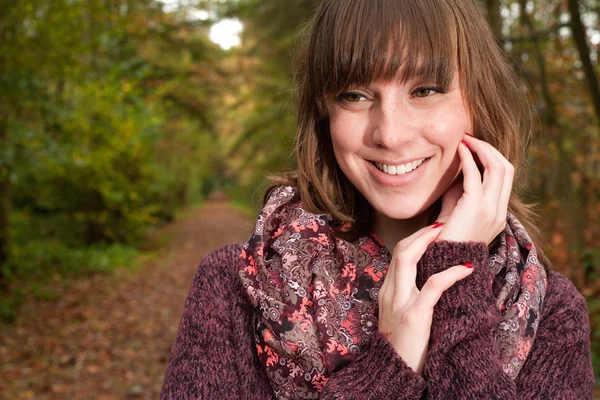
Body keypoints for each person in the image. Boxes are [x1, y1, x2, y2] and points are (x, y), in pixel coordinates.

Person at [160, 0, 595, 398]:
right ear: (324, 112)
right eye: (355, 95)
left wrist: (455, 282)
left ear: (480, 100)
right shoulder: (235, 288)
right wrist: (391, 370)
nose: (389, 134)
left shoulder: (550, 314)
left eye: (425, 90)